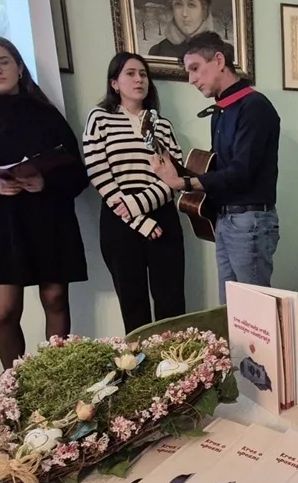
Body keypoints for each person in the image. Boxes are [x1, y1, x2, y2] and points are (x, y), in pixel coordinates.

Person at [0, 36, 88, 371]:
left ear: (19, 68)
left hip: (48, 218)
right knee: (4, 311)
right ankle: (14, 386)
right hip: (0, 225)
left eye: (4, 61)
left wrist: (45, 181)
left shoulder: (46, 114)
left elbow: (76, 172)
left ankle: (55, 381)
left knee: (55, 298)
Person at [151, 31, 280, 304]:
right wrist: (174, 170)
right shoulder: (220, 111)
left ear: (219, 60)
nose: (191, 79)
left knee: (253, 312)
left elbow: (241, 173)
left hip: (249, 222)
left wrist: (182, 184)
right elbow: (217, 170)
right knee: (229, 309)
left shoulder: (255, 107)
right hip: (225, 219)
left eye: (195, 68)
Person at [83, 52, 187, 334]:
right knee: (133, 303)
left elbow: (175, 176)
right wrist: (138, 220)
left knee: (171, 303)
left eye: (143, 74)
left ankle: (175, 360)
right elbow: (98, 172)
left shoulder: (161, 124)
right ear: (114, 83)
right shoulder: (100, 118)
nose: (139, 79)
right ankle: (139, 360)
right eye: (130, 73)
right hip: (120, 220)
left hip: (162, 214)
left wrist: (139, 205)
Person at [148, 0, 215, 59]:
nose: (184, 14)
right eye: (178, 4)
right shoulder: (157, 52)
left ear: (204, 11)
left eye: (191, 5)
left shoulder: (219, 52)